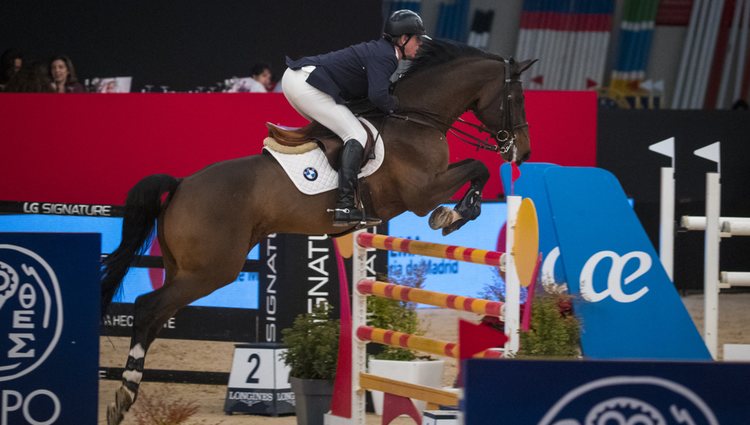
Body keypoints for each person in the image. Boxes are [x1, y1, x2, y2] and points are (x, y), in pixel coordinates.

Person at [282, 9, 427, 227]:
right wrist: (399, 107)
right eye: (417, 39)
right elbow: (378, 96)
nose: (420, 44)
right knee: (356, 134)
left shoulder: (382, 51)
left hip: (298, 80)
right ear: (404, 39)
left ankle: (323, 187)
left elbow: (368, 97)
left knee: (341, 130)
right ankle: (344, 205)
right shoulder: (387, 56)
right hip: (307, 84)